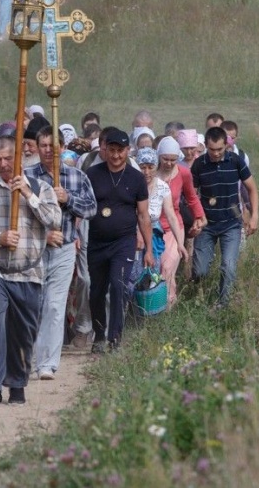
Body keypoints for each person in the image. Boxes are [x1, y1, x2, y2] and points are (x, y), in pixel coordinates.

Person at [0, 136, 60, 407]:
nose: (4, 164)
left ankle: (17, 384)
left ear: (19, 158)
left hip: (29, 272)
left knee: (23, 331)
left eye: (9, 159)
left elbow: (55, 220)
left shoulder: (41, 188)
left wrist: (29, 196)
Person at [27, 127, 96, 381]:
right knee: (34, 303)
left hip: (65, 248)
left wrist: (68, 198)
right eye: (42, 145)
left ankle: (47, 362)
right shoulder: (27, 177)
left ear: (61, 147)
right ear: (36, 147)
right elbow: (19, 214)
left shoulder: (76, 177)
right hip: (33, 249)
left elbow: (91, 208)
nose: (47, 151)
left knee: (55, 305)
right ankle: (29, 356)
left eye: (51, 145)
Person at [84, 128, 152, 352]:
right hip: (96, 242)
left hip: (124, 242)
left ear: (128, 150)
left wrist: (149, 249)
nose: (115, 156)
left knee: (118, 284)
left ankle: (115, 337)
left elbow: (143, 215)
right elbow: (82, 207)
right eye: (111, 150)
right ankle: (99, 334)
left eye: (120, 151)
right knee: (96, 291)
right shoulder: (93, 175)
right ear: (105, 149)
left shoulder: (136, 178)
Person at [189, 126, 259, 307]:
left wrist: (254, 216)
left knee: (228, 267)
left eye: (220, 149)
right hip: (207, 224)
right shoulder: (199, 165)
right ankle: (198, 295)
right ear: (205, 146)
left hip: (232, 224)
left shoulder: (236, 161)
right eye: (212, 150)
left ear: (226, 145)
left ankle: (223, 304)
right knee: (199, 271)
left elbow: (251, 188)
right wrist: (195, 218)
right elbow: (191, 194)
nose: (216, 153)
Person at [136, 147, 185, 306]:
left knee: (153, 272)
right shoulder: (132, 184)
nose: (146, 172)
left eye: (151, 167)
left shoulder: (163, 187)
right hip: (133, 234)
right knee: (134, 273)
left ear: (156, 167)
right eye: (143, 167)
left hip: (154, 236)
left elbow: (171, 214)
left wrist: (180, 243)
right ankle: (132, 309)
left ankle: (153, 308)